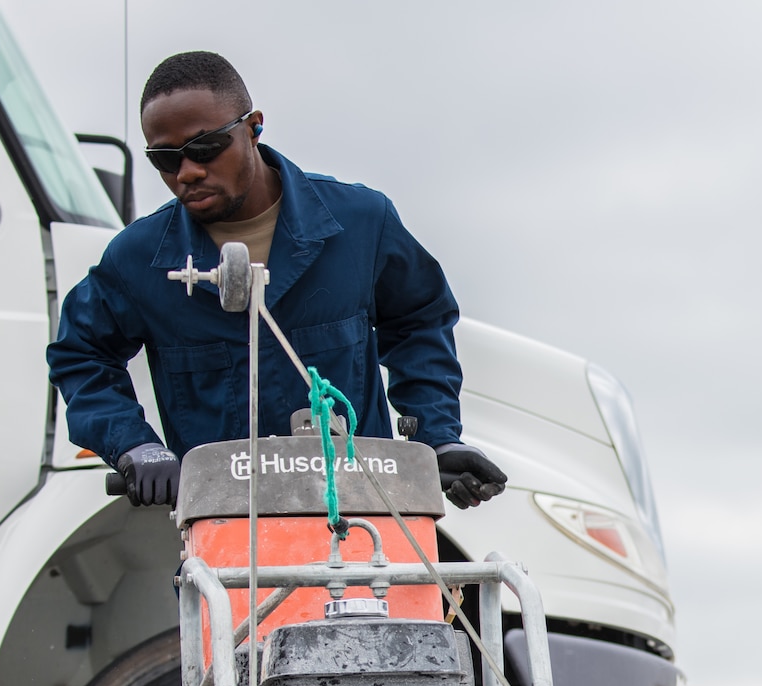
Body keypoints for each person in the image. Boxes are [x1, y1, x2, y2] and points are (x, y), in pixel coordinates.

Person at [46, 50, 507, 511]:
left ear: (253, 126)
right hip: (224, 545)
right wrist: (134, 446)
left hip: (366, 534)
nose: (187, 172)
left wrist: (437, 441)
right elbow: (81, 355)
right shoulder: (139, 259)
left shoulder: (362, 225)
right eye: (165, 159)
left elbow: (419, 323)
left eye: (204, 147)